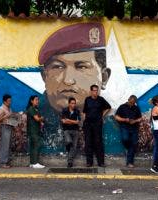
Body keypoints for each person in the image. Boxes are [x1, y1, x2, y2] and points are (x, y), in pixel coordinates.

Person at [37, 22, 111, 151]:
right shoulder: (35, 114)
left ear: (104, 78)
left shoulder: (112, 125)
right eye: (58, 67)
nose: (68, 80)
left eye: (81, 67)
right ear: (44, 76)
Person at [83, 84, 111, 167]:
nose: (95, 92)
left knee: (98, 142)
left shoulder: (101, 99)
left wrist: (102, 115)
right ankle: (89, 162)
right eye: (94, 90)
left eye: (97, 90)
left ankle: (101, 162)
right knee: (88, 142)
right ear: (91, 91)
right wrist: (84, 120)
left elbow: (108, 107)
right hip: (88, 124)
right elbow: (84, 111)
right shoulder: (87, 99)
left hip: (97, 124)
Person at [115, 95, 142, 168]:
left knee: (133, 144)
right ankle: (128, 149)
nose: (132, 104)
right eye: (131, 102)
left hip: (134, 128)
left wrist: (135, 121)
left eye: (133, 103)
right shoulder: (122, 107)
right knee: (125, 139)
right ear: (128, 99)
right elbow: (116, 117)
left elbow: (140, 118)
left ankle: (130, 162)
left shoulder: (136, 108)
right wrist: (125, 119)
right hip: (124, 127)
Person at [26, 95, 45, 169]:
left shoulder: (36, 109)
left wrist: (41, 121)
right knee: (37, 144)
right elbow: (37, 119)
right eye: (36, 100)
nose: (37, 101)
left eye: (38, 100)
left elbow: (39, 120)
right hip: (33, 131)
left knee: (33, 146)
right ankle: (35, 162)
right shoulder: (31, 109)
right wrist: (41, 118)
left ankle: (32, 163)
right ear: (31, 101)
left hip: (36, 130)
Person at [61, 97, 81, 168]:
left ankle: (70, 162)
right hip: (67, 130)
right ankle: (67, 145)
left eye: (74, 103)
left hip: (75, 131)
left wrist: (68, 120)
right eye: (72, 103)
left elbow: (78, 122)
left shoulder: (77, 111)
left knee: (73, 147)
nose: (73, 105)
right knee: (69, 142)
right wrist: (73, 121)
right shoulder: (64, 110)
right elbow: (63, 121)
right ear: (69, 104)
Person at [0, 94, 13, 168]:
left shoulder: (9, 108)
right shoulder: (1, 109)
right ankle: (3, 162)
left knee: (8, 145)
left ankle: (7, 161)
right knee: (5, 145)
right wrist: (6, 116)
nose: (10, 102)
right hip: (4, 127)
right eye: (9, 101)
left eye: (10, 100)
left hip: (9, 126)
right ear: (4, 101)